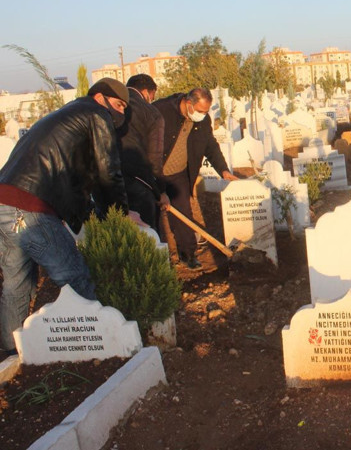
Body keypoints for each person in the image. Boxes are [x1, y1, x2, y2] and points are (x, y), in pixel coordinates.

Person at [0, 78, 143, 357]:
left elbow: (74, 181)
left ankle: (10, 355)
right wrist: (120, 213)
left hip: (4, 201)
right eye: (118, 105)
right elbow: (107, 170)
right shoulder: (96, 114)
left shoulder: (66, 116)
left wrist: (90, 214)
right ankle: (97, 351)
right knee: (75, 276)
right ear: (100, 98)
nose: (120, 113)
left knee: (16, 284)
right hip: (30, 208)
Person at [154, 88, 237, 269]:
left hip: (179, 174)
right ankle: (158, 260)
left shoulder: (202, 120)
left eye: (206, 111)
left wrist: (223, 170)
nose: (203, 115)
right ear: (188, 103)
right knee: (154, 218)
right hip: (154, 173)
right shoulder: (161, 111)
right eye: (200, 111)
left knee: (184, 215)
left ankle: (188, 255)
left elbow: (210, 146)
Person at [119, 74, 165, 230]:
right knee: (146, 232)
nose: (151, 100)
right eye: (152, 96)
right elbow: (155, 157)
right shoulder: (152, 113)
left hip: (109, 183)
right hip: (138, 182)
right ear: (146, 92)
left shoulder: (110, 106)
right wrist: (160, 191)